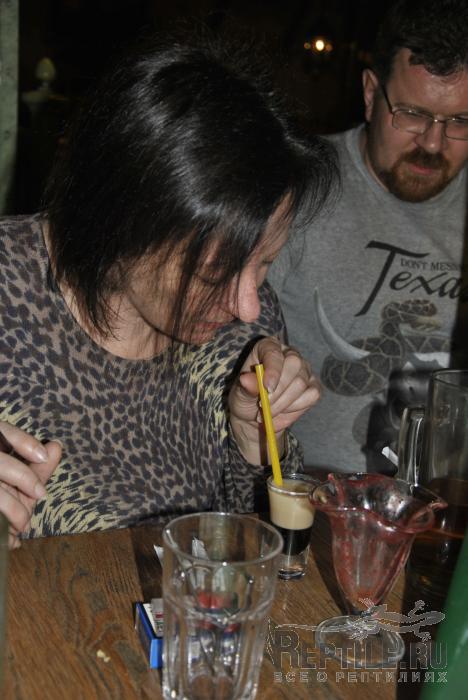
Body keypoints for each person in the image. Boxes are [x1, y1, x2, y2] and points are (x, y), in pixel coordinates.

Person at [0, 34, 337, 548]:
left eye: (266, 262)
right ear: (121, 220)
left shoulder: (247, 333)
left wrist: (254, 439)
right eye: (213, 273)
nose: (249, 306)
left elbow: (256, 552)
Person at [269, 0, 468, 473]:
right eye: (412, 114)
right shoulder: (296, 188)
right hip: (314, 495)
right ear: (370, 93)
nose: (433, 143)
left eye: (461, 122)